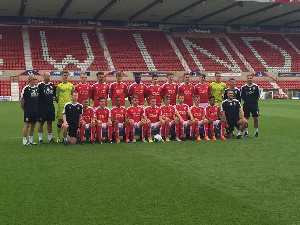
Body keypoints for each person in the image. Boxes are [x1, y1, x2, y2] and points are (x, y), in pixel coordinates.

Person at [37, 72, 56, 144]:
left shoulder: (52, 85)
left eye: (49, 76)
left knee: (50, 122)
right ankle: (40, 138)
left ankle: (50, 138)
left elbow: (54, 96)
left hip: (50, 106)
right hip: (42, 107)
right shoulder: (40, 85)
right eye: (47, 76)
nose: (49, 78)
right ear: (43, 76)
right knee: (41, 122)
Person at [56, 71, 74, 142]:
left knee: (69, 120)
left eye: (67, 75)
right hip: (61, 105)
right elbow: (57, 96)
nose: (66, 76)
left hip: (69, 105)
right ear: (62, 76)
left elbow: (72, 94)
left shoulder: (71, 85)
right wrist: (60, 102)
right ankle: (58, 136)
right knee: (60, 121)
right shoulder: (59, 86)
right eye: (64, 75)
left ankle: (66, 137)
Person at [21, 75, 39, 146]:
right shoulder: (26, 88)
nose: (35, 81)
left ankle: (31, 140)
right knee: (27, 124)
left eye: (36, 79)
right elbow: (22, 100)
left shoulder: (36, 88)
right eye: (34, 79)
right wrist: (24, 109)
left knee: (33, 125)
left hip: (35, 110)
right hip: (28, 110)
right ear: (30, 80)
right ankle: (24, 140)